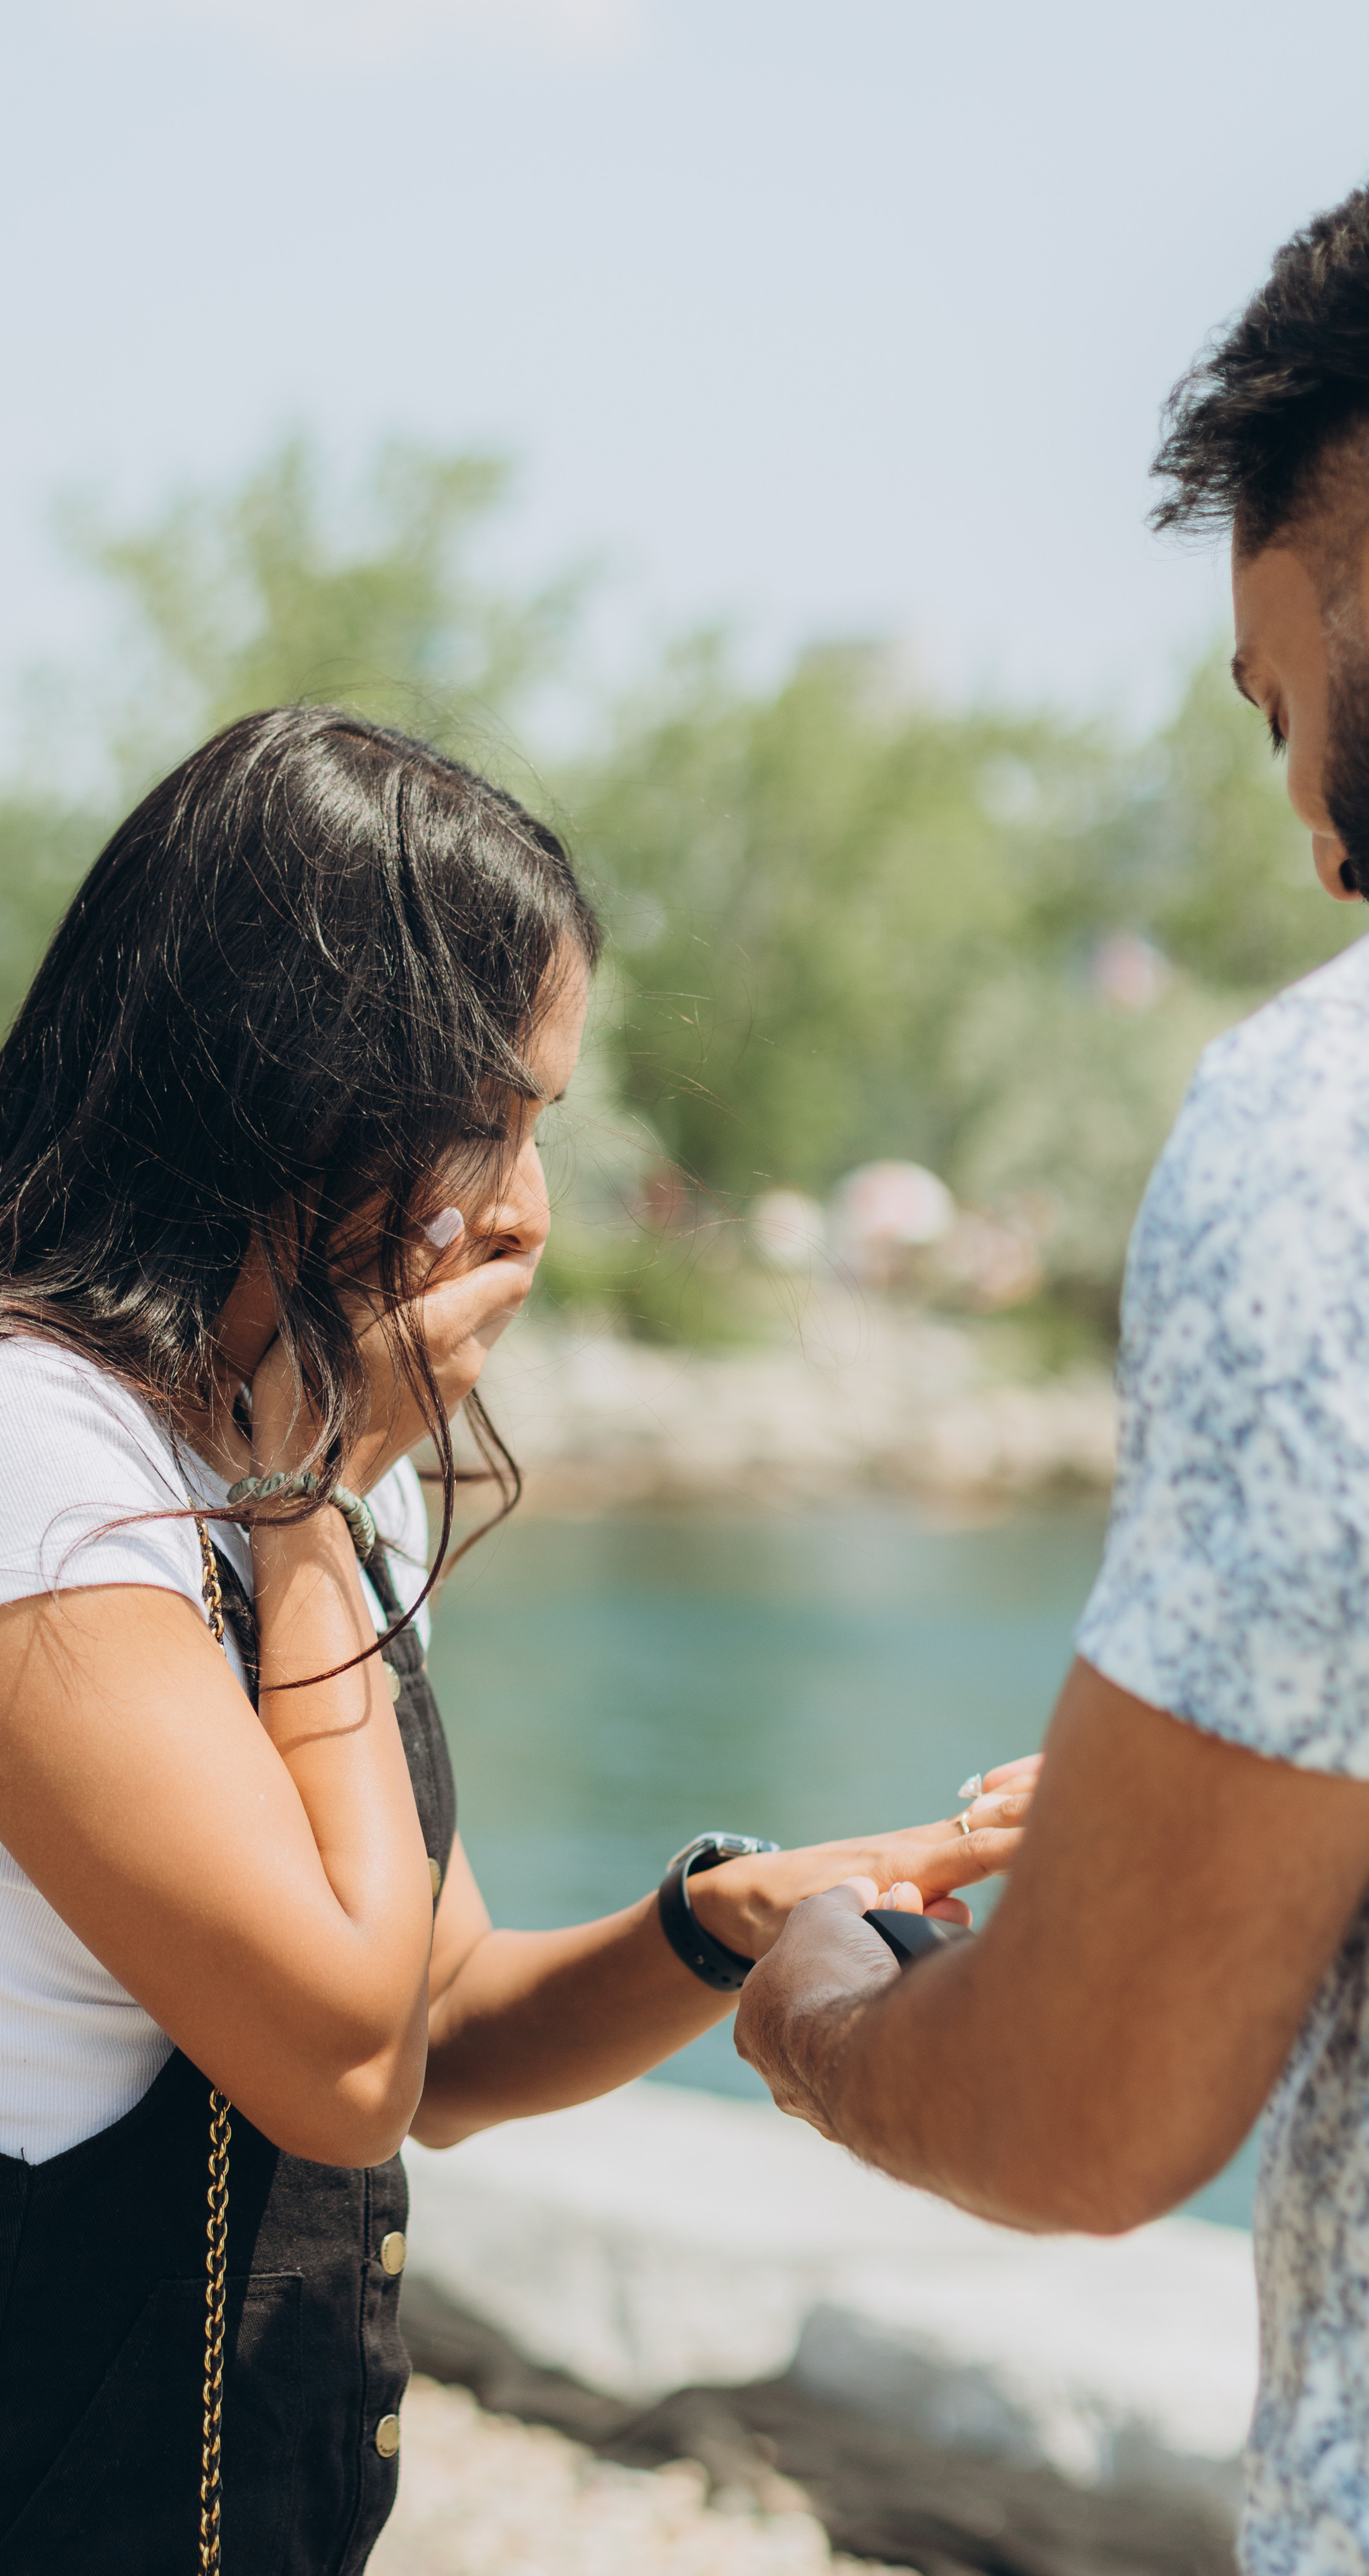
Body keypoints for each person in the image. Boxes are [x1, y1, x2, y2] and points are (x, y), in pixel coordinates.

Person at [0, 706, 1023, 2575]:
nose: (528, 1211)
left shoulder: (304, 1443)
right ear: (296, 1084)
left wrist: (730, 1918)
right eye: (493, 1123)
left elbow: (436, 2027)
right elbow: (338, 2064)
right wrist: (305, 1499)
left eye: (545, 1129)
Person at [733, 185, 1369, 2575]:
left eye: (1278, 704)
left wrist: (825, 2004)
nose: (1312, 832)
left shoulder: (1325, 1134)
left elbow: (1086, 2115)